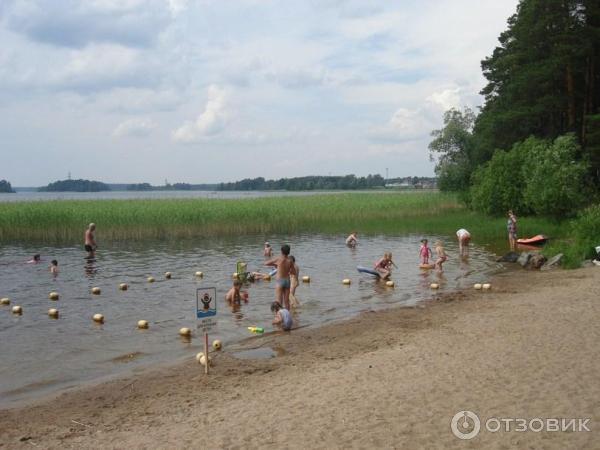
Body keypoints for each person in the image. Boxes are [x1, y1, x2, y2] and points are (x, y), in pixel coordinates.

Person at [265, 244, 296, 310]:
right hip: (287, 281)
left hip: (280, 281)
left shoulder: (279, 258)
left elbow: (266, 263)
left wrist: (276, 264)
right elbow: (294, 272)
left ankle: (280, 317)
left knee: (279, 302)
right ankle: (287, 316)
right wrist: (287, 270)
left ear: (281, 251)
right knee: (286, 301)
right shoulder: (290, 261)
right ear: (289, 252)